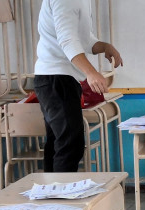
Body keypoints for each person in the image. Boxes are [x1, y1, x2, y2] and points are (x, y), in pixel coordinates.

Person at [34, 0, 123, 172]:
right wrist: (91, 73)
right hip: (56, 77)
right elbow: (67, 40)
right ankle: (59, 194)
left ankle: (53, 193)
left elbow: (83, 39)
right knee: (69, 143)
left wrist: (104, 46)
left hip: (60, 78)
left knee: (61, 142)